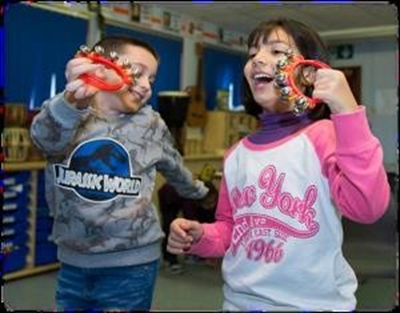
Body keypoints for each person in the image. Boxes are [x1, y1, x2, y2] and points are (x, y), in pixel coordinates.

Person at [167, 18, 391, 311]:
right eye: (252, 54)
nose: (258, 59)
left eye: (276, 51)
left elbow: (368, 207)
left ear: (309, 72)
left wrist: (346, 110)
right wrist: (201, 236)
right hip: (239, 303)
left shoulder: (324, 136)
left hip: (315, 305)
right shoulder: (236, 154)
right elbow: (230, 229)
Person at [30, 35, 209, 311]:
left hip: (132, 261)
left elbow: (173, 165)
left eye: (152, 79)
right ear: (102, 68)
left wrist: (197, 191)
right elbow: (43, 139)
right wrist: (70, 104)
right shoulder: (64, 111)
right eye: (138, 73)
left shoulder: (150, 123)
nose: (146, 85)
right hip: (72, 259)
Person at [158, 181, 217, 274]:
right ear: (200, 200)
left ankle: (194, 253)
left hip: (184, 195)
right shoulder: (190, 201)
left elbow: (211, 224)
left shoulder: (212, 197)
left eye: (213, 202)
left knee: (205, 222)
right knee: (170, 226)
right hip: (168, 195)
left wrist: (212, 253)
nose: (211, 205)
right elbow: (191, 223)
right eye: (208, 203)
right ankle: (169, 260)